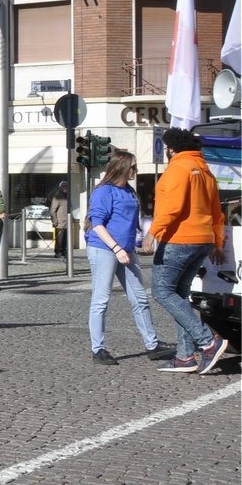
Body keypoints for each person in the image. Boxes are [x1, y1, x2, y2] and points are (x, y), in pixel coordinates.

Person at [149, 128, 229, 374]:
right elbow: (217, 211)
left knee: (162, 291)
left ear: (171, 148)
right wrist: (216, 242)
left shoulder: (178, 168)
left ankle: (208, 341)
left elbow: (172, 206)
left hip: (180, 238)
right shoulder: (205, 171)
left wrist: (153, 231)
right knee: (180, 295)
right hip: (203, 239)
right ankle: (185, 357)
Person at [84, 150, 169, 365]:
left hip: (126, 250)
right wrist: (116, 248)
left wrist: (133, 244)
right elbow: (97, 224)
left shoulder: (129, 191)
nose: (136, 170)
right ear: (121, 168)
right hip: (104, 249)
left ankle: (152, 345)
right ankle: (98, 349)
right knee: (101, 300)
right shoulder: (104, 192)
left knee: (139, 297)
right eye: (133, 167)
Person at [49, 180, 72, 257]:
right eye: (64, 186)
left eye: (66, 186)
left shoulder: (67, 196)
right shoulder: (57, 197)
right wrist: (55, 221)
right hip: (60, 222)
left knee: (65, 239)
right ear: (60, 187)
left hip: (67, 222)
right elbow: (52, 210)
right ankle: (58, 252)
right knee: (59, 239)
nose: (65, 188)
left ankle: (64, 252)